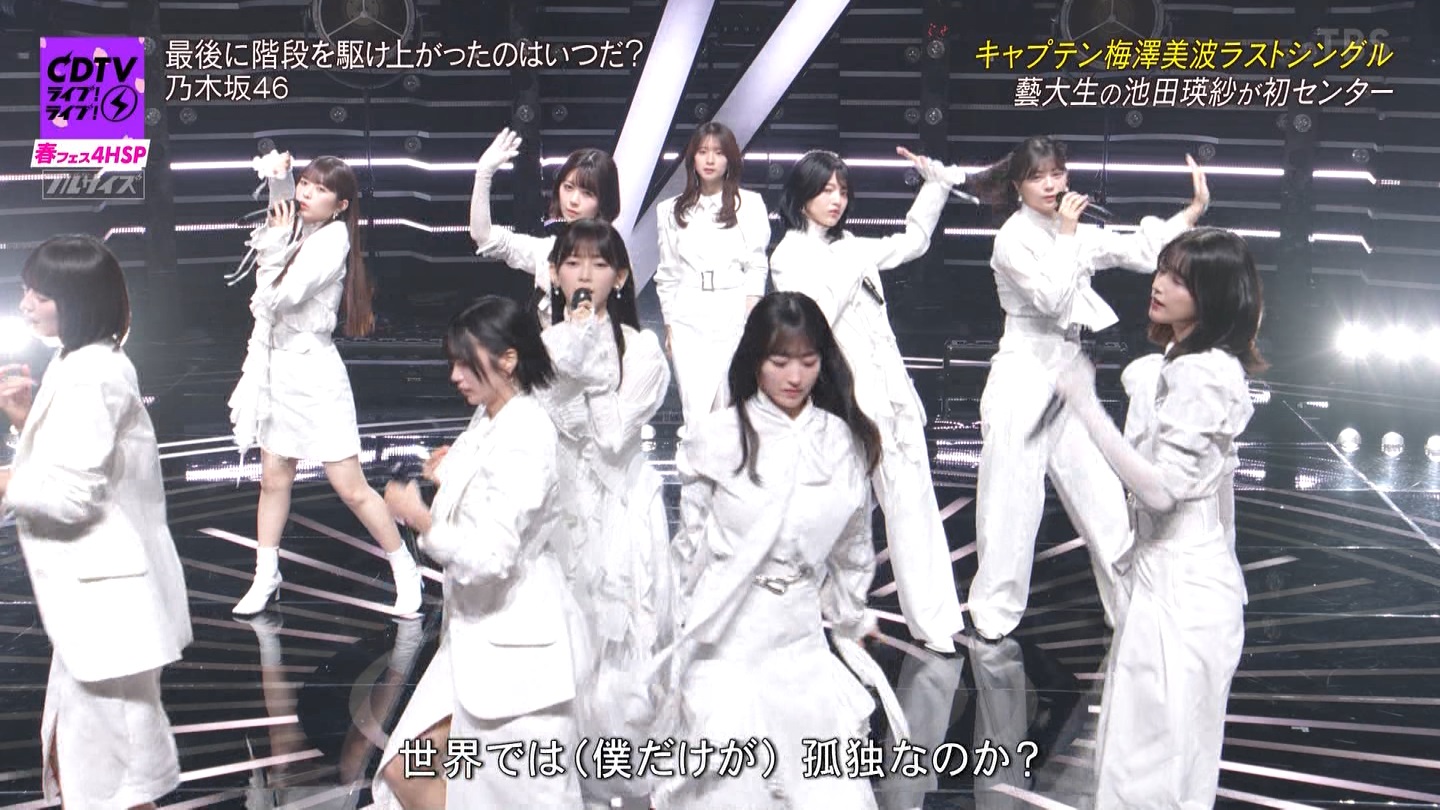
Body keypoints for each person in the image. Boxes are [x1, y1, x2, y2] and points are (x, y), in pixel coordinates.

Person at [654, 291, 908, 810]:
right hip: (726, 638)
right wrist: (677, 632)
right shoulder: (717, 437)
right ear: (755, 360)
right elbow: (690, 547)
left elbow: (855, 548)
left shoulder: (841, 441)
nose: (795, 376)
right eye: (780, 361)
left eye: (808, 362)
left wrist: (849, 618)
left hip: (801, 640)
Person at [965, 137, 1210, 641]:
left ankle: (1130, 609)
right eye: (1037, 177)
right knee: (1011, 501)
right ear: (1017, 186)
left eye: (1057, 173)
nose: (1050, 184)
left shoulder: (1070, 229)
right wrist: (1069, 234)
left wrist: (1192, 211)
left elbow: (1137, 251)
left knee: (1104, 501)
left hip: (1068, 373)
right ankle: (992, 616)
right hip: (1022, 370)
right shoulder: (1012, 239)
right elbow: (1052, 299)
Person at [1052, 227, 1263, 808]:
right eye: (1163, 269)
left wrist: (1087, 407)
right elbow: (1221, 497)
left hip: (1183, 591)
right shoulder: (1185, 362)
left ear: (1214, 296)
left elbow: (1162, 491)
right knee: (1154, 755)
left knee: (1154, 763)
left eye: (1180, 279)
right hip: (1179, 580)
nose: (1160, 284)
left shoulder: (1202, 374)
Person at [0, 235, 192, 809]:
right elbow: (80, 464)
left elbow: (73, 496)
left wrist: (6, 481)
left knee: (110, 782)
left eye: (40, 295)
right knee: (97, 769)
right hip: (99, 604)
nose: (26, 304)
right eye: (27, 291)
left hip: (109, 604)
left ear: (78, 300)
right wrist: (25, 422)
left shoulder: (94, 374)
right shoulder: (80, 360)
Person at [373, 296, 587, 809]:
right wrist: (445, 473)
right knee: (406, 772)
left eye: (466, 363)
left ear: (508, 359)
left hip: (515, 654)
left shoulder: (527, 431)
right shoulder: (492, 418)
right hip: (475, 644)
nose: (455, 376)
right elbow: (483, 485)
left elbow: (492, 554)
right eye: (453, 363)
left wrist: (420, 517)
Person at [768, 147, 967, 654]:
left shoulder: (851, 246)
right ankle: (819, 620)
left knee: (914, 502)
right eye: (826, 190)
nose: (836, 200)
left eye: (842, 190)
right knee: (839, 515)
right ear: (803, 195)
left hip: (893, 393)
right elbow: (812, 319)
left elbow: (913, 242)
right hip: (845, 401)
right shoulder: (788, 255)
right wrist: (850, 265)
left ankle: (935, 621)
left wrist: (935, 185)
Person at [228, 153, 423, 617]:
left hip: (314, 374)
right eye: (306, 184)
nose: (306, 193)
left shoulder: (333, 239)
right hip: (277, 368)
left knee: (350, 486)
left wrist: (272, 246)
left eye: (320, 189)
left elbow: (279, 296)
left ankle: (405, 568)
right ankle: (266, 574)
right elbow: (281, 209)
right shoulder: (299, 225)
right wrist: (280, 178)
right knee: (273, 479)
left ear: (341, 205)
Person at [535, 219, 672, 809]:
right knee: (560, 638)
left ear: (619, 278)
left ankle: (620, 772)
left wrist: (591, 364)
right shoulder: (540, 347)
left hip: (619, 506)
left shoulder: (642, 350)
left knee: (619, 638)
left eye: (597, 264)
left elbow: (612, 439)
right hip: (558, 507)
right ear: (555, 274)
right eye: (572, 263)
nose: (583, 275)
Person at [655, 121, 771, 435]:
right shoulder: (669, 210)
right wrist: (669, 323)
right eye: (702, 152)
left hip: (732, 307)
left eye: (718, 153)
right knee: (695, 410)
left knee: (731, 403)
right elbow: (667, 274)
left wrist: (750, 318)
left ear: (730, 159)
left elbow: (756, 265)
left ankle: (731, 465)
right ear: (692, 158)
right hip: (687, 314)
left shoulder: (750, 204)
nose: (709, 160)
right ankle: (697, 466)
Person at [469, 128, 622, 326]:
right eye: (568, 187)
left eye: (587, 193)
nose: (573, 200)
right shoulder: (549, 250)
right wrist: (483, 174)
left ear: (604, 201)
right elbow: (484, 236)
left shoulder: (612, 260)